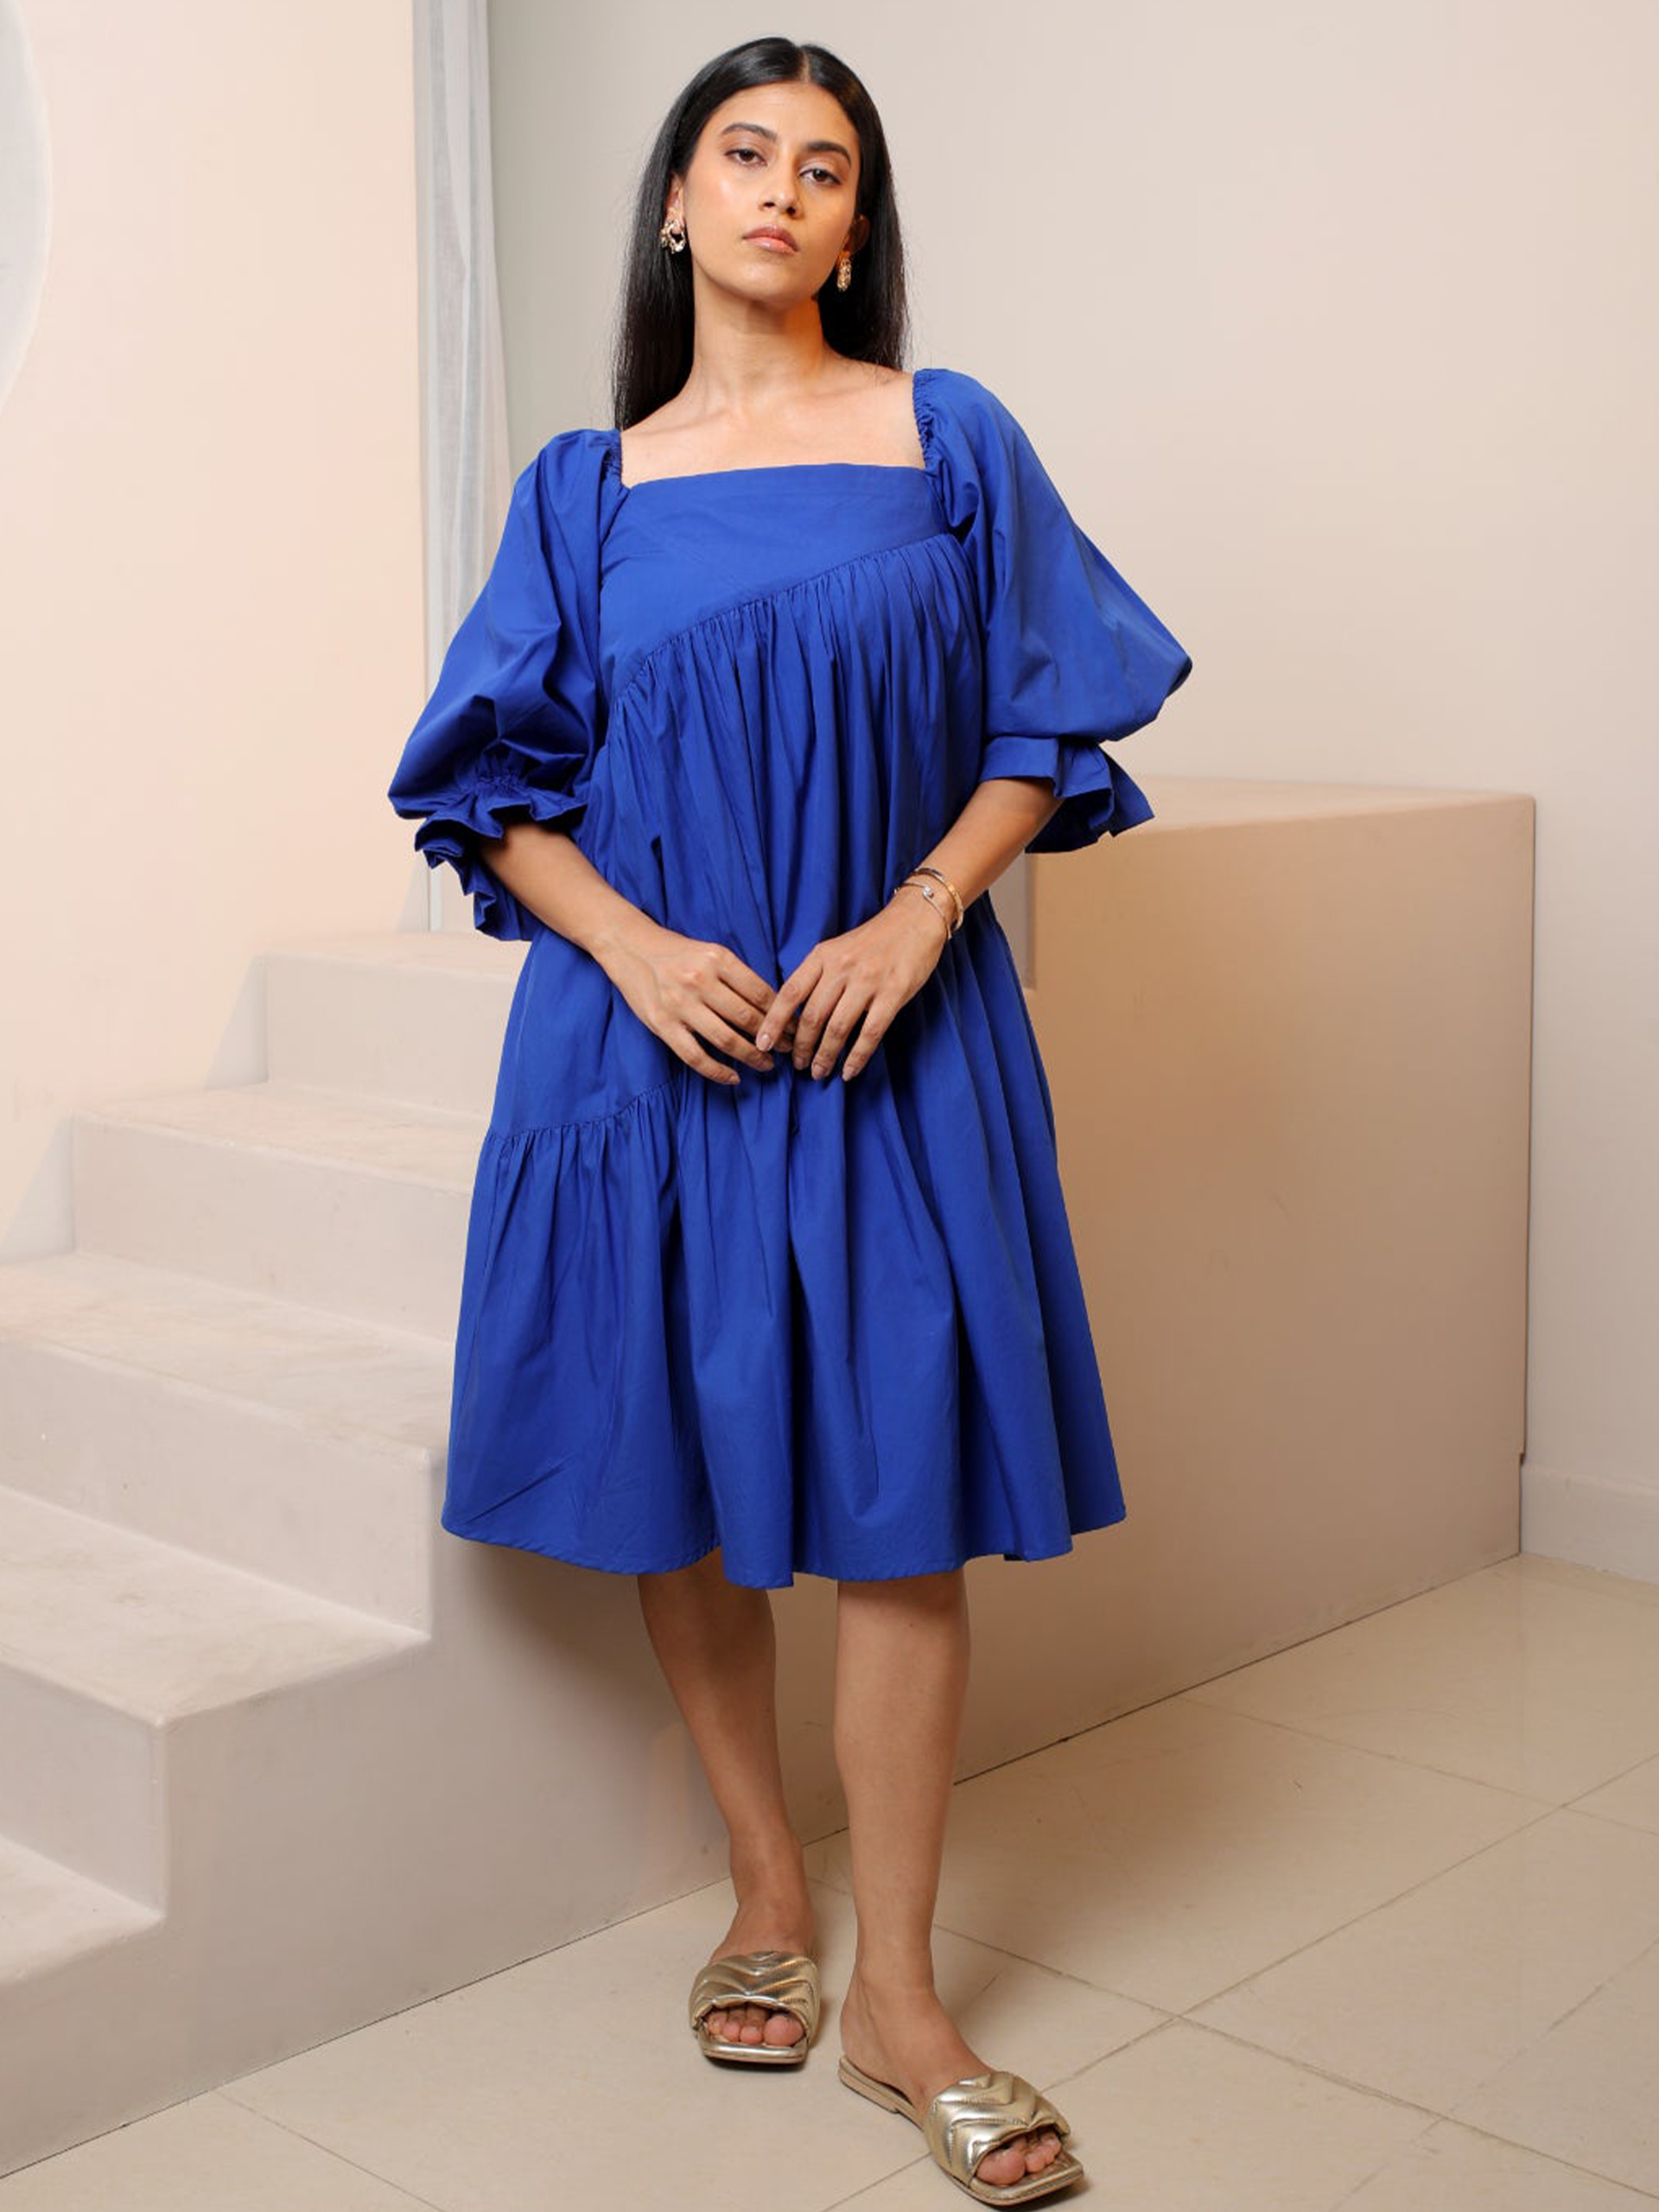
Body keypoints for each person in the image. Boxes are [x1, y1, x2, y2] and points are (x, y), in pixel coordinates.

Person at [388, 35, 1191, 2207]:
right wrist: (640, 953)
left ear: (856, 224)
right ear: (675, 203)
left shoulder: (949, 433)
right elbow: (491, 786)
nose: (781, 190)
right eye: (743, 153)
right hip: (647, 1041)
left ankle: (902, 1996)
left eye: (826, 168)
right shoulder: (585, 485)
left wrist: (924, 914)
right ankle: (764, 1880)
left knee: (900, 1497)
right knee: (680, 1471)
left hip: (886, 1031)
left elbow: (1047, 718)